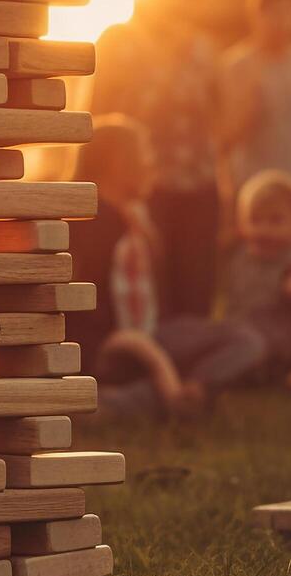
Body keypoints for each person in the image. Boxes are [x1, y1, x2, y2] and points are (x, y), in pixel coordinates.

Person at [69, 115, 263, 420]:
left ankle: (188, 392)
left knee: (246, 340)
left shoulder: (137, 218)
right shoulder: (87, 224)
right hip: (111, 349)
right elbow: (93, 323)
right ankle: (150, 398)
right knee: (241, 344)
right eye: (144, 153)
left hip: (153, 335)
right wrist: (159, 367)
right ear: (119, 161)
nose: (151, 163)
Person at [92, 0, 223, 318]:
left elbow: (220, 124)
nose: (172, 1)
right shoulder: (117, 41)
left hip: (199, 188)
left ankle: (194, 370)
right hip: (139, 190)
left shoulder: (205, 48)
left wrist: (226, 191)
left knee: (197, 289)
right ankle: (153, 368)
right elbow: (97, 120)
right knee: (150, 293)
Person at [223, 170, 291, 393]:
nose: (264, 229)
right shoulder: (242, 260)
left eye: (276, 221)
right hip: (243, 334)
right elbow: (233, 301)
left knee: (289, 350)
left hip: (281, 342)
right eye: (255, 220)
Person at [220, 0, 291, 199]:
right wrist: (251, 104)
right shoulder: (237, 64)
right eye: (274, 13)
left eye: (288, 13)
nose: (282, 21)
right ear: (256, 17)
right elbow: (229, 133)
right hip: (252, 178)